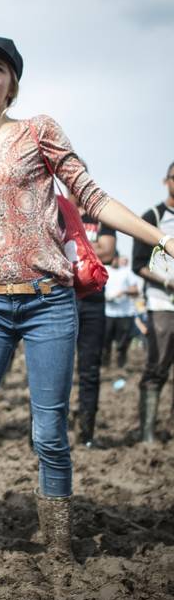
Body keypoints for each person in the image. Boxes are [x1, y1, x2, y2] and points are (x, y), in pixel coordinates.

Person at [0, 35, 174, 570]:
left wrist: (161, 237)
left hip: (49, 303)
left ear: (12, 85)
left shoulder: (38, 130)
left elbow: (92, 196)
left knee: (49, 432)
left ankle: (58, 549)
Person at [132, 161, 174, 442]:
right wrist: (168, 281)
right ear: (166, 181)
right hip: (162, 304)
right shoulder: (154, 217)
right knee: (158, 364)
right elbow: (139, 264)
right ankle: (147, 433)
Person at [72, 193, 116, 447]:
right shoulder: (54, 209)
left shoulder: (100, 216)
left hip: (94, 302)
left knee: (90, 370)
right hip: (61, 298)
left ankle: (86, 433)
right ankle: (40, 435)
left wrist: (72, 244)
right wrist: (92, 247)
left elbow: (108, 253)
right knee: (53, 368)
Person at [103, 254, 139, 368]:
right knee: (105, 342)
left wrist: (123, 292)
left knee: (123, 343)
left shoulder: (127, 272)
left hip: (125, 313)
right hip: (108, 313)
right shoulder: (104, 270)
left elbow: (135, 290)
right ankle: (105, 366)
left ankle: (121, 366)